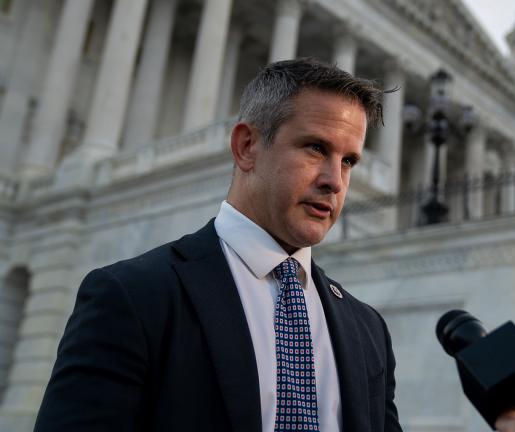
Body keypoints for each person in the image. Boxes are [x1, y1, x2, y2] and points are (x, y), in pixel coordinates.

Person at [34, 58, 401, 432]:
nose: (334, 181)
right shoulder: (134, 297)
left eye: (348, 161)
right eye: (315, 148)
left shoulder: (368, 329)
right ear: (246, 147)